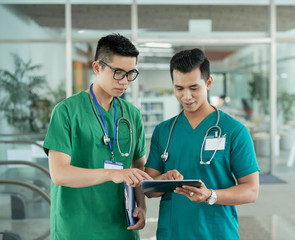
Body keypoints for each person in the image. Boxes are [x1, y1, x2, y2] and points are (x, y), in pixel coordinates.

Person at [43, 33, 152, 240]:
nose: (125, 81)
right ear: (96, 68)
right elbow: (59, 174)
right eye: (118, 72)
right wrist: (110, 174)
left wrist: (142, 206)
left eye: (131, 74)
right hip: (76, 228)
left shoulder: (132, 114)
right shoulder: (66, 111)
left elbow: (138, 168)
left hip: (121, 226)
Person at [145, 48, 260, 240]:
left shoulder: (234, 130)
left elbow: (251, 190)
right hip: (173, 233)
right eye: (179, 88)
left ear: (208, 83)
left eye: (194, 88)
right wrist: (164, 179)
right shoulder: (164, 131)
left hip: (216, 232)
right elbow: (148, 189)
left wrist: (210, 195)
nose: (186, 96)